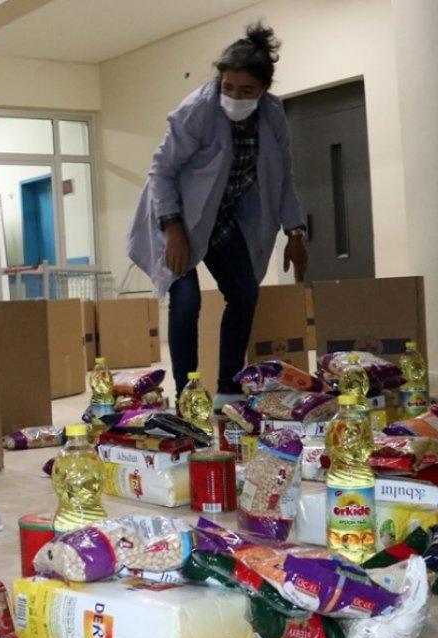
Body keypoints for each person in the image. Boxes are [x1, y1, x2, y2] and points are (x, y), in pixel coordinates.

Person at [127, 22, 308, 406]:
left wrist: (295, 231)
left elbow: (283, 175)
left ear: (264, 90)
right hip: (175, 214)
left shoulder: (272, 116)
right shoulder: (198, 110)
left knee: (244, 292)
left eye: (246, 91)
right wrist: (173, 229)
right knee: (187, 299)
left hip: (222, 217)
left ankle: (228, 388)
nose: (234, 97)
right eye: (228, 88)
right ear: (219, 82)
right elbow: (161, 171)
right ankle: (188, 394)